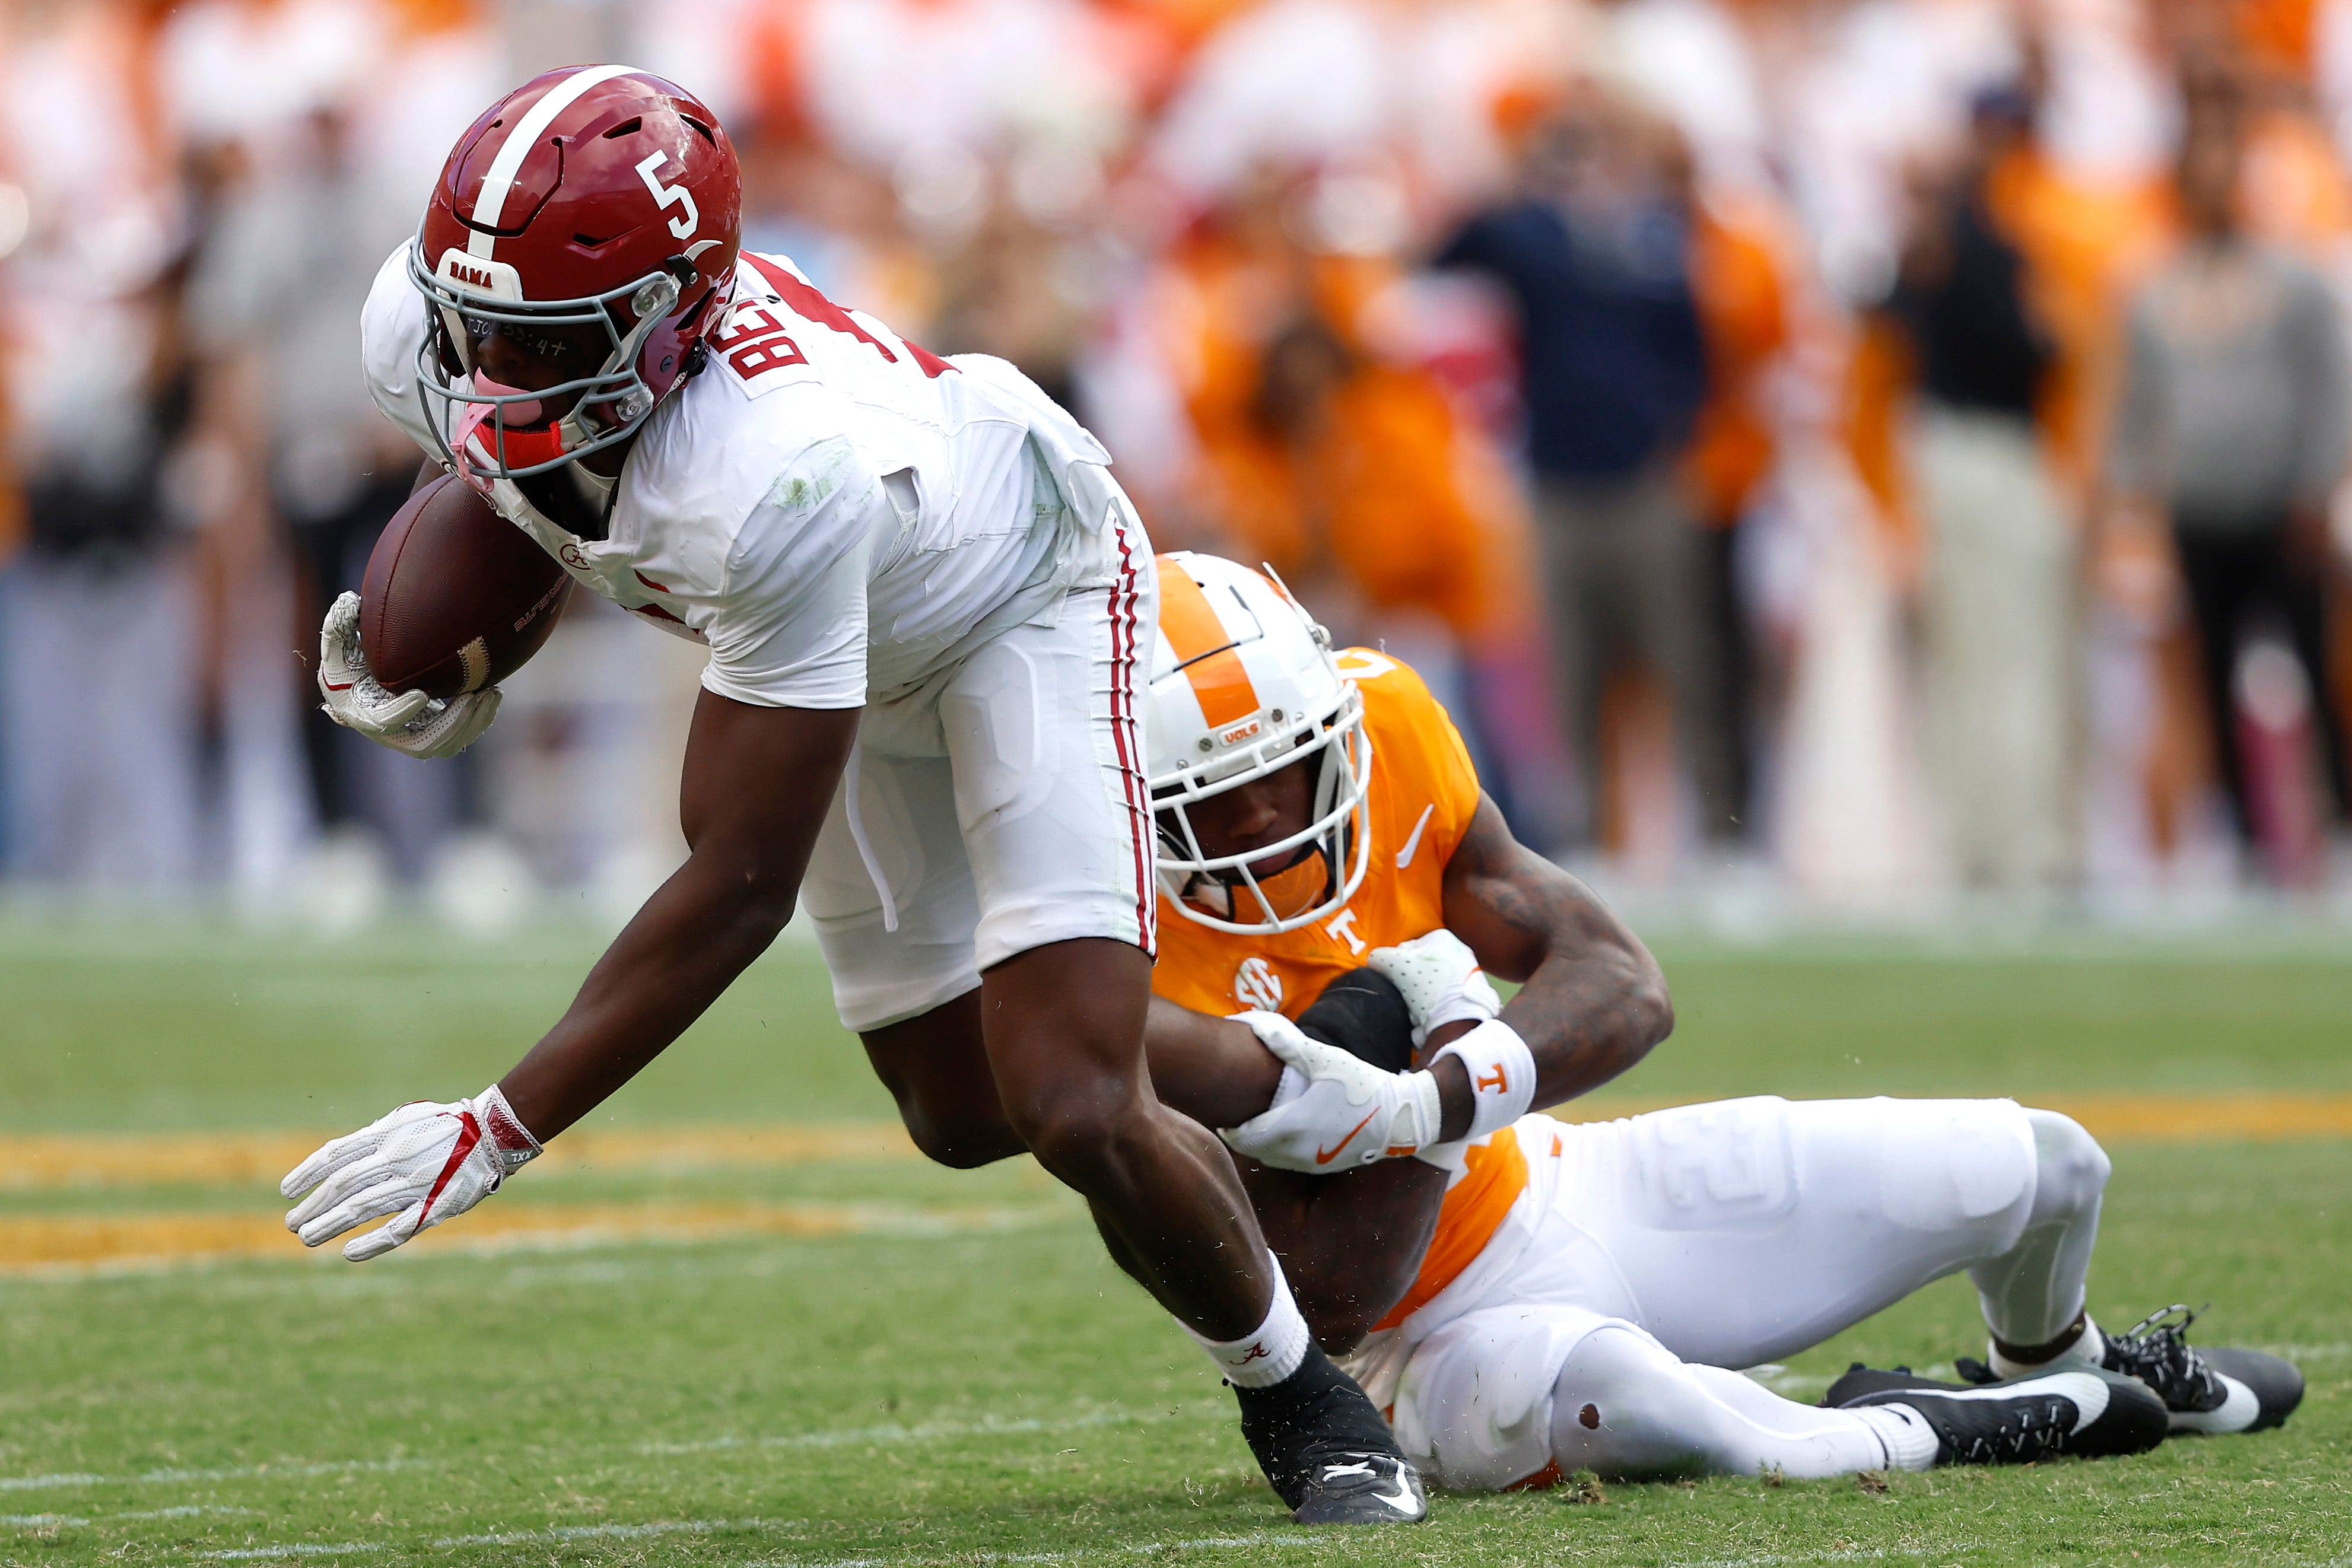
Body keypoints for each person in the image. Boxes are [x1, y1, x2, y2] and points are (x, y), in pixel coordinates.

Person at [275, 66, 1423, 1526]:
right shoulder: (430, 327)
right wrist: (457, 660)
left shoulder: (777, 472)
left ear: (670, 321)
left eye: (537, 342)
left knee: (1070, 1098)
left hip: (1017, 595)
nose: (486, 370)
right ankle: (1293, 1072)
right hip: (836, 624)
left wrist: (502, 1121)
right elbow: (535, 496)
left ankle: (1304, 1399)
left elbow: (737, 878)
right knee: (957, 1105)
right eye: (471, 324)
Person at [1120, 551, 2303, 1490]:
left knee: (2050, 1162)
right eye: (1217, 795)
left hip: (1556, 1180)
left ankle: (2053, 1356)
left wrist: (1444, 1090)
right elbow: (1332, 1294)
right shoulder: (1114, 935)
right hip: (1410, 1341)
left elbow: (1622, 980)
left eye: (1286, 763)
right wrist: (1430, 1097)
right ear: (1132, 791)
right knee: (1664, 1413)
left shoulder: (1387, 723)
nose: (1267, 811)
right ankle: (1918, 1421)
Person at [2108, 88, 2352, 866]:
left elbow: (2330, 389)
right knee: (2210, 677)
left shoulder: (2293, 281)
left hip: (2281, 508)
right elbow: (2137, 406)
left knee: (2314, 669)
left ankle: (2338, 825)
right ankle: (2246, 839)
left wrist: (2319, 484)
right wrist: (2129, 504)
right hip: (2199, 509)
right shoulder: (2155, 289)